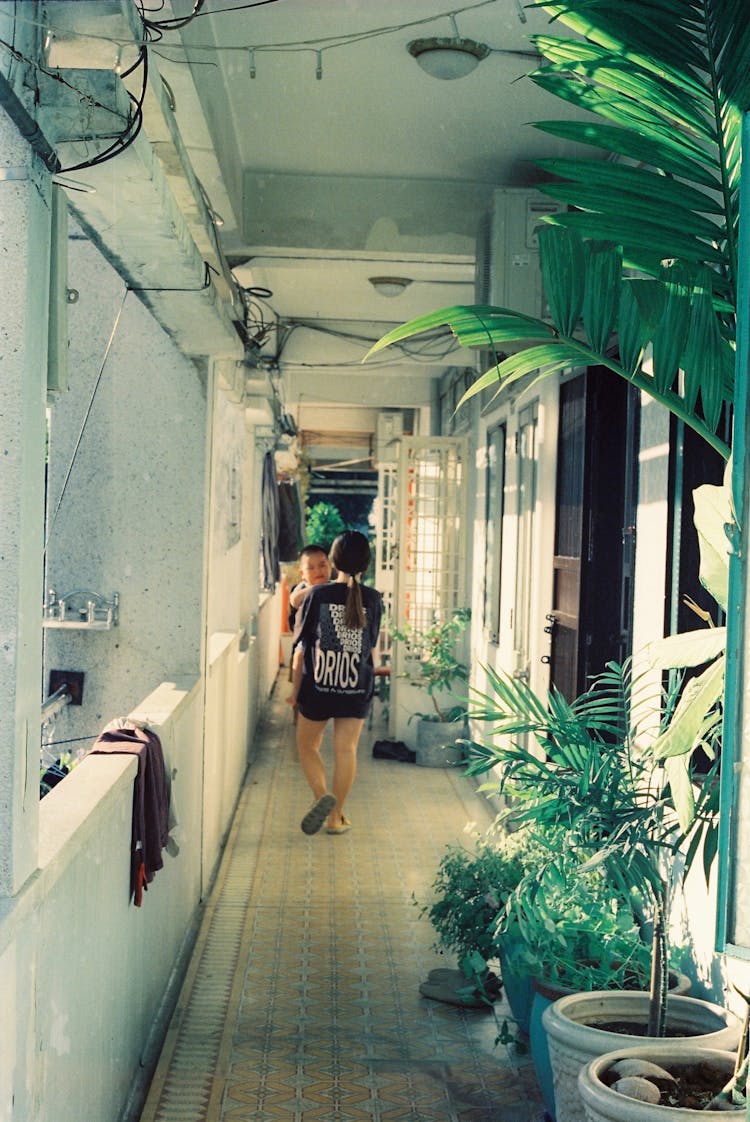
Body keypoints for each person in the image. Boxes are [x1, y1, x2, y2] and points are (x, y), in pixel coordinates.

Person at [287, 530, 382, 836]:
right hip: (356, 686)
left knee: (307, 746)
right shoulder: (374, 600)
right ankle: (336, 816)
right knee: (346, 750)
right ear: (366, 564)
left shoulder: (316, 596)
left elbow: (300, 649)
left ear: (333, 562)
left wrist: (294, 692)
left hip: (319, 687)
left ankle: (321, 797)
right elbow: (369, 646)